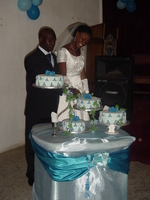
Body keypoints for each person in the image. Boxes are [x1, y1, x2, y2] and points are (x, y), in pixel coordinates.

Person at [24, 26, 59, 186]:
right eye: (49, 40)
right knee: (32, 141)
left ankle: (44, 171)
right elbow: (39, 81)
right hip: (36, 108)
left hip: (52, 108)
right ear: (41, 39)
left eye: (54, 40)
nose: (53, 43)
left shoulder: (55, 57)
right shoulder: (31, 58)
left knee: (47, 142)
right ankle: (31, 174)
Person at [54, 22, 92, 121]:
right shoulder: (63, 51)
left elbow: (82, 73)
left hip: (80, 88)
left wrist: (86, 92)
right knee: (68, 118)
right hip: (68, 88)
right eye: (83, 39)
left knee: (82, 118)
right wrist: (71, 89)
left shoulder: (82, 52)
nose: (83, 43)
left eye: (86, 42)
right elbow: (63, 75)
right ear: (77, 34)